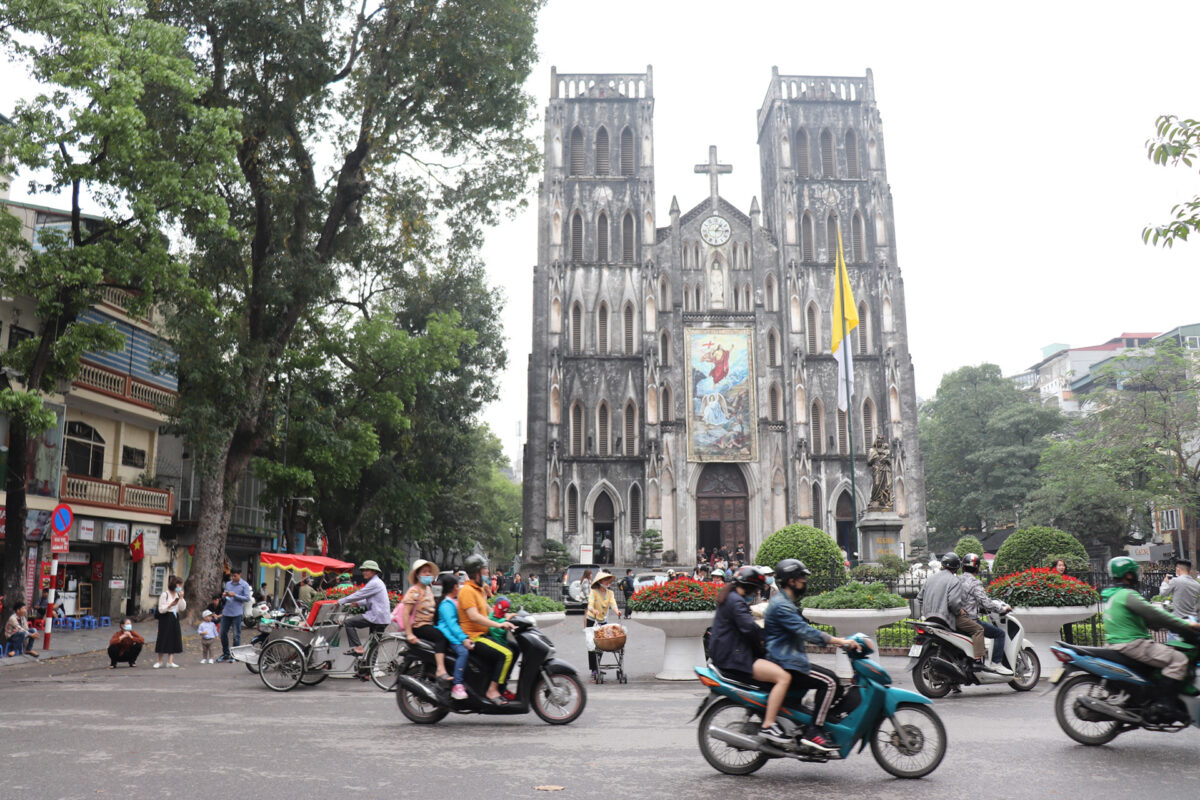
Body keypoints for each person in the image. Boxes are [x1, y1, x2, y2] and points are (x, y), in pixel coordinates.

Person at [765, 559, 860, 753]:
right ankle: (814, 731)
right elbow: (805, 631)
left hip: (789, 659)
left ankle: (817, 721)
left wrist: (833, 641)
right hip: (786, 663)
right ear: (791, 581)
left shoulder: (785, 602)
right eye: (802, 578)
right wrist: (838, 641)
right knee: (830, 682)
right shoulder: (782, 605)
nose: (805, 582)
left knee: (831, 681)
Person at [1104, 556, 1200, 722]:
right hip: (1133, 644)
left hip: (1118, 644)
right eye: (1134, 572)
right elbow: (1155, 613)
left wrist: (1163, 625)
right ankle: (1164, 704)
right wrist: (1185, 625)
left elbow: (1149, 620)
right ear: (1128, 575)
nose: (1137, 575)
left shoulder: (1113, 595)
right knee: (1179, 660)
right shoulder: (1128, 595)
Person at [707, 566, 792, 744]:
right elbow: (750, 628)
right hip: (734, 657)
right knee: (783, 677)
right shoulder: (735, 601)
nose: (755, 593)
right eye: (755, 590)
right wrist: (769, 639)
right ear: (749, 587)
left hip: (731, 653)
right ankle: (768, 725)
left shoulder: (731, 597)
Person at [917, 552, 991, 670]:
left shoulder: (931, 578)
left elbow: (919, 598)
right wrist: (959, 612)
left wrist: (930, 608)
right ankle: (977, 661)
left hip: (929, 618)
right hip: (946, 618)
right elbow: (953, 603)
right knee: (978, 629)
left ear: (942, 564)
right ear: (957, 567)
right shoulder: (954, 580)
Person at [457, 555, 516, 704]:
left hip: (484, 634)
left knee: (515, 648)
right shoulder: (467, 591)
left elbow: (489, 611)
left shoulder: (479, 590)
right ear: (476, 572)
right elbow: (474, 616)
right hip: (475, 637)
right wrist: (499, 625)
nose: (487, 572)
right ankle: (492, 690)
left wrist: (506, 616)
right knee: (506, 654)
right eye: (484, 569)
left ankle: (502, 687)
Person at [958, 554, 1013, 675]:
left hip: (957, 618)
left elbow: (967, 600)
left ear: (963, 567)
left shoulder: (957, 580)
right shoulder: (975, 583)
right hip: (970, 619)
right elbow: (986, 603)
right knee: (999, 634)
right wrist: (1002, 609)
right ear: (977, 568)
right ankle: (996, 664)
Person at [399, 559, 451, 684]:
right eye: (424, 572)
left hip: (428, 625)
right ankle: (440, 669)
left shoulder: (428, 589)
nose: (428, 574)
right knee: (441, 637)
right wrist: (409, 633)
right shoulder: (414, 591)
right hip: (418, 626)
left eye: (429, 572)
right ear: (417, 575)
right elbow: (406, 613)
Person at [336, 559, 391, 656]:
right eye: (363, 570)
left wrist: (340, 601)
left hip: (376, 616)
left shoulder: (374, 583)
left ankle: (358, 648)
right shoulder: (377, 582)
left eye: (367, 570)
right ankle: (370, 665)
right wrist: (357, 603)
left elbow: (359, 594)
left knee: (348, 623)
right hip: (382, 617)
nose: (364, 572)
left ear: (374, 571)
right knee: (374, 646)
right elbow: (370, 600)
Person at [436, 574, 473, 700]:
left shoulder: (454, 601)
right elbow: (452, 625)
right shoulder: (446, 604)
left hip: (457, 634)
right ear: (454, 587)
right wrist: (463, 638)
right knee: (463, 652)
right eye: (458, 585)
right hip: (451, 636)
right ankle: (457, 684)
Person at [585, 571, 622, 679]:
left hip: (602, 620)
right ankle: (593, 669)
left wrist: (617, 611)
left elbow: (613, 604)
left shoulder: (610, 593)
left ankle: (598, 666)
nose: (608, 583)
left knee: (602, 644)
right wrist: (593, 610)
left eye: (609, 581)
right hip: (592, 620)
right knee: (592, 645)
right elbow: (590, 604)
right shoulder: (594, 592)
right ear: (600, 581)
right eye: (606, 581)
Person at [216, 568, 251, 663]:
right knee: (223, 633)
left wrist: (235, 595)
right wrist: (225, 595)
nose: (233, 578)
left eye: (235, 576)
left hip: (237, 613)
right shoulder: (228, 584)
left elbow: (247, 598)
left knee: (236, 635)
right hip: (226, 612)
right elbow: (226, 595)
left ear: (240, 574)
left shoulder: (244, 585)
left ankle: (235, 655)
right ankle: (226, 653)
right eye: (232, 576)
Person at [487, 596, 517, 699]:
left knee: (516, 648)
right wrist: (509, 617)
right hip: (497, 644)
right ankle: (500, 687)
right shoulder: (498, 621)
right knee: (508, 654)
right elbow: (502, 623)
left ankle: (504, 684)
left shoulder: (493, 616)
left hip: (499, 642)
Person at [154, 575, 186, 668]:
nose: (179, 587)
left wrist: (181, 598)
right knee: (163, 637)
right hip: (166, 617)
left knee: (173, 637)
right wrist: (170, 605)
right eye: (178, 585)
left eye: (180, 585)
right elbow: (161, 609)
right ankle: (159, 661)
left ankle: (170, 661)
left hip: (174, 617)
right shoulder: (165, 594)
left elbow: (182, 608)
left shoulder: (177, 595)